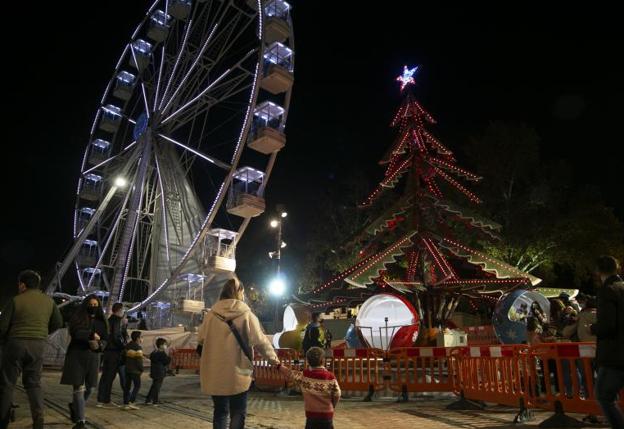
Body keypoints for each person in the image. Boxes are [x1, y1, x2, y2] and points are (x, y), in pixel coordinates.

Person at [197, 278, 280, 429]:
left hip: (216, 371)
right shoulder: (246, 314)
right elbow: (261, 341)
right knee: (238, 411)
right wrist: (274, 361)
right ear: (239, 291)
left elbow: (200, 339)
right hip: (238, 372)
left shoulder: (211, 315)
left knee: (220, 412)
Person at [0, 270, 63, 429]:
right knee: (34, 384)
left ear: (22, 284)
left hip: (15, 344)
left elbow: (2, 327)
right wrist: (42, 333)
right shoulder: (49, 302)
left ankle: (2, 421)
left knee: (7, 384)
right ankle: (38, 421)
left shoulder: (16, 300)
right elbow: (58, 322)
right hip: (38, 345)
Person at [60, 295, 109, 429]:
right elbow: (75, 332)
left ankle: (76, 406)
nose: (93, 307)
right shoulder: (78, 318)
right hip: (77, 354)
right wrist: (90, 335)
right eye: (91, 304)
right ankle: (80, 421)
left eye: (95, 305)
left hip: (93, 356)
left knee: (91, 387)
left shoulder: (101, 321)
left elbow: (105, 337)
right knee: (78, 388)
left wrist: (101, 345)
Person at [590, 256, 624, 429]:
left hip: (615, 354)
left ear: (598, 271)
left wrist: (594, 328)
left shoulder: (607, 290)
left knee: (604, 395)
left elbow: (607, 325)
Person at [278, 346, 341, 429]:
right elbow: (337, 394)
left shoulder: (304, 376)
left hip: (311, 416)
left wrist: (278, 366)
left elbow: (290, 374)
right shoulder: (330, 377)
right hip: (327, 416)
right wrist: (333, 405)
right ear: (323, 360)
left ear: (307, 361)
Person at [96, 302, 128, 408]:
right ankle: (104, 400)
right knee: (109, 376)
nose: (124, 312)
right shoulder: (117, 321)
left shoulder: (109, 320)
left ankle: (103, 398)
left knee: (106, 375)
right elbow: (116, 336)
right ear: (119, 310)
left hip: (108, 351)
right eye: (123, 310)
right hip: (114, 351)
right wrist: (123, 346)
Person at [122, 331, 144, 410]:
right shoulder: (138, 348)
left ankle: (126, 403)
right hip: (135, 370)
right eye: (141, 337)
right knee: (137, 386)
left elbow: (123, 357)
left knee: (127, 386)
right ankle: (131, 401)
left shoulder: (127, 346)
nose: (142, 339)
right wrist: (141, 369)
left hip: (127, 369)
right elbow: (139, 360)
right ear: (138, 338)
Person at [145, 338, 171, 405]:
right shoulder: (161, 353)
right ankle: (155, 401)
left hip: (154, 371)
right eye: (165, 344)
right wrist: (169, 357)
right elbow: (166, 361)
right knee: (157, 387)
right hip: (160, 372)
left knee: (154, 386)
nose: (166, 346)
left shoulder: (154, 352)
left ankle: (148, 399)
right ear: (160, 345)